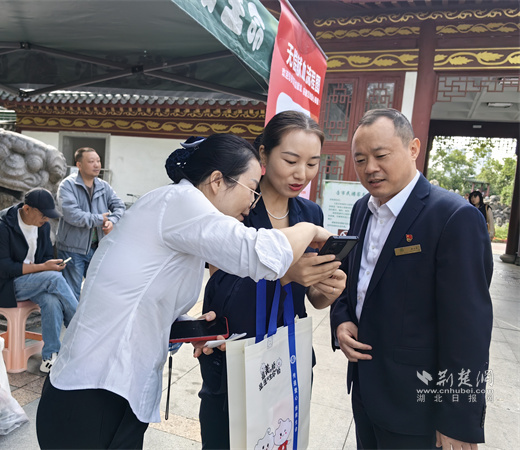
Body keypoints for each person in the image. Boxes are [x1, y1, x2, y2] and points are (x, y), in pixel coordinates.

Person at [36, 134, 334, 450]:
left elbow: (142, 299)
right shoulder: (181, 202)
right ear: (217, 181)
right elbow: (262, 254)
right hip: (94, 394)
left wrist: (189, 327)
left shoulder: (177, 215)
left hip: (111, 390)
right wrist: (310, 229)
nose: (252, 203)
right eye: (251, 189)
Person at [330, 108, 493, 449]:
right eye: (360, 159)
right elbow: (352, 281)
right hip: (366, 391)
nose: (370, 168)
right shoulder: (362, 209)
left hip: (417, 407)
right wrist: (342, 320)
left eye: (381, 155)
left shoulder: (453, 217)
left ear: (413, 148)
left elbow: (468, 329)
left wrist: (458, 419)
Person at [197, 111, 347, 449]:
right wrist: (284, 273)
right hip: (234, 352)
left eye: (312, 163)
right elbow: (221, 288)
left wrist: (327, 289)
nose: (301, 174)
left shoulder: (309, 214)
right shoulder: (238, 205)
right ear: (263, 154)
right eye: (291, 160)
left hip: (289, 355)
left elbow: (311, 297)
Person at [0, 188, 79, 373]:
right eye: (43, 215)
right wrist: (43, 268)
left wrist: (50, 265)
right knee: (53, 278)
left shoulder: (43, 227)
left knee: (51, 300)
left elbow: (46, 256)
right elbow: (4, 269)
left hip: (33, 282)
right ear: (27, 209)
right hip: (3, 286)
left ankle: (49, 357)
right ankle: (80, 325)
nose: (46, 219)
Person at [56, 147, 126, 300]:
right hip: (72, 249)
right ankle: (72, 317)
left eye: (98, 161)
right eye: (91, 161)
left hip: (97, 248)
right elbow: (71, 214)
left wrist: (112, 221)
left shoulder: (103, 186)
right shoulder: (67, 185)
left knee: (98, 291)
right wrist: (100, 219)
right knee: (72, 295)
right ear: (79, 165)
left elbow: (120, 206)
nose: (96, 165)